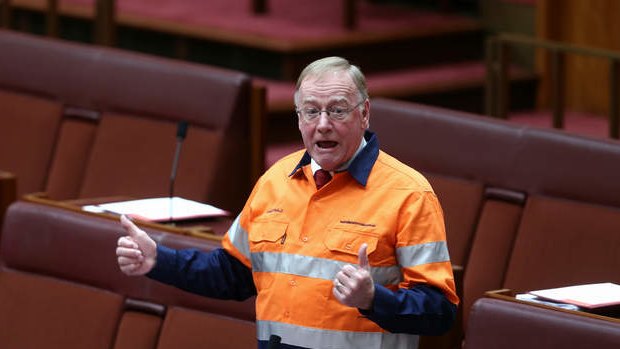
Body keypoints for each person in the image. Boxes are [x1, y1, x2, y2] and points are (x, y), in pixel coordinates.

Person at [116, 56, 459, 349]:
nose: (323, 125)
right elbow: (232, 274)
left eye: (337, 110)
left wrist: (373, 299)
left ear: (365, 113)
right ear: (298, 118)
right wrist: (159, 259)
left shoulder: (410, 194)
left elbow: (440, 311)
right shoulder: (275, 180)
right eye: (311, 111)